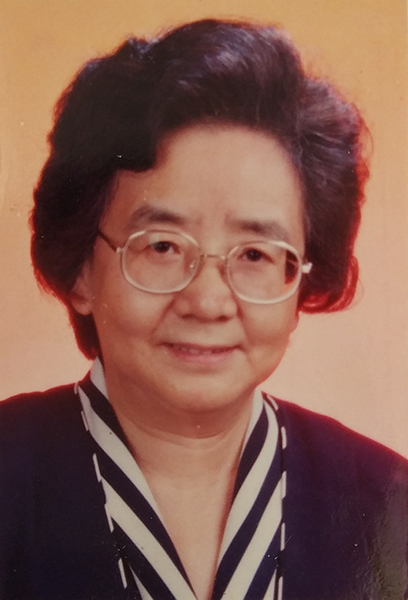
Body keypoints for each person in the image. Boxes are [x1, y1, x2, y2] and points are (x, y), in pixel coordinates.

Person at [0, 18, 407, 600]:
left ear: (298, 285)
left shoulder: (388, 504)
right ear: (82, 269)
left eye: (256, 254)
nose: (209, 301)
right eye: (162, 247)